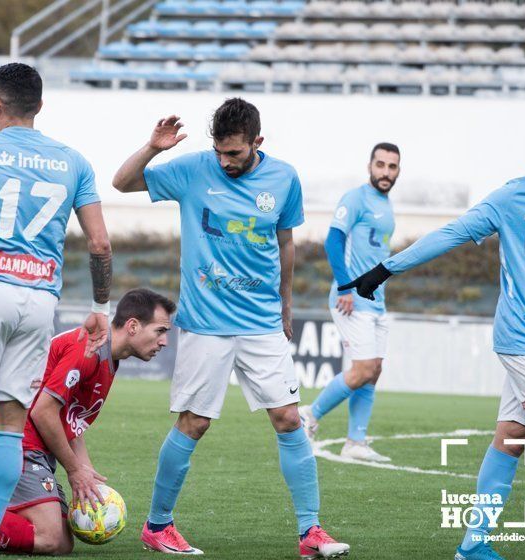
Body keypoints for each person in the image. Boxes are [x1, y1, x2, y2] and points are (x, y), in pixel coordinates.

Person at [112, 98, 349, 558]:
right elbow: (121, 183)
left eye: (235, 154)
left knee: (288, 418)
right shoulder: (193, 170)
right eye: (219, 152)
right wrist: (152, 147)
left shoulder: (284, 178)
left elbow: (286, 244)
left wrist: (286, 306)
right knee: (194, 422)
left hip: (261, 323)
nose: (225, 161)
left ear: (257, 142)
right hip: (206, 323)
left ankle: (310, 533)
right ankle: (158, 526)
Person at [340, 108, 525, 560]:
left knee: (513, 436)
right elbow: (452, 233)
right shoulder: (513, 199)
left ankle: (474, 544)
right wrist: (386, 268)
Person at [0, 62, 112, 560]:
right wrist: (100, 306)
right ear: (39, 106)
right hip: (40, 303)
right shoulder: (73, 160)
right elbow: (99, 243)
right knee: (10, 423)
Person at [0, 289, 176, 556]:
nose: (164, 341)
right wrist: (73, 470)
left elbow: (70, 420)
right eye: (160, 331)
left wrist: (86, 474)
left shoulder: (108, 357)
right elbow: (43, 412)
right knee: (53, 539)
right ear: (132, 326)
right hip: (15, 441)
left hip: (32, 446)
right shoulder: (88, 350)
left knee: (60, 535)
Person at [299, 143, 400, 463]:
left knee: (374, 370)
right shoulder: (356, 199)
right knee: (363, 369)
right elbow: (333, 240)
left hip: (376, 301)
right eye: (380, 164)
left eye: (392, 166)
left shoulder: (386, 205)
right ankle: (309, 415)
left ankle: (356, 441)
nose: (385, 172)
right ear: (369, 166)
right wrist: (345, 287)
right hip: (351, 300)